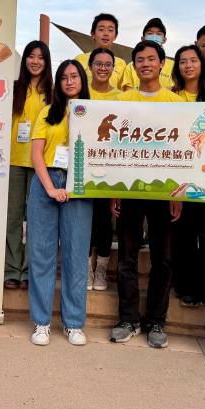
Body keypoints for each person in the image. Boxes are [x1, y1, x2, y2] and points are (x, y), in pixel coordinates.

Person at [110, 39, 182, 349]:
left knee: (162, 259)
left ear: (162, 64)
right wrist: (112, 190)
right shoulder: (123, 100)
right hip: (129, 189)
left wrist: (178, 195)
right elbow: (114, 148)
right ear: (134, 65)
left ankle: (156, 321)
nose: (145, 64)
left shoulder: (176, 103)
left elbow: (184, 150)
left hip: (164, 192)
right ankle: (128, 319)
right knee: (126, 257)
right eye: (140, 60)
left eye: (151, 59)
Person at [27, 60, 93, 346]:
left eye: (74, 76)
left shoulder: (93, 113)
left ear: (82, 80)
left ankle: (74, 323)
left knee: (76, 256)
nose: (69, 81)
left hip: (80, 184)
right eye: (64, 77)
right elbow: (36, 155)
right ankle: (41, 322)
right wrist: (51, 188)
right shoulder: (47, 112)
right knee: (41, 255)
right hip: (47, 182)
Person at [5, 41, 53, 290]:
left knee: (35, 220)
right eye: (31, 56)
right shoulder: (13, 88)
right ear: (24, 60)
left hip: (40, 164)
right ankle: (12, 269)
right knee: (12, 218)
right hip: (13, 160)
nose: (35, 61)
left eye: (40, 57)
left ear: (47, 62)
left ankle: (30, 270)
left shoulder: (53, 92)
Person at [170, 45, 205, 307]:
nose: (188, 65)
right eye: (183, 61)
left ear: (202, 65)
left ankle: (203, 286)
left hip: (204, 175)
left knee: (204, 234)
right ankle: (182, 284)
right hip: (174, 173)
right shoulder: (169, 97)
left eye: (193, 60)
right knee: (181, 233)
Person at [86, 47, 121, 291]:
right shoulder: (81, 93)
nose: (103, 68)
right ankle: (86, 268)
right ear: (90, 66)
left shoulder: (121, 97)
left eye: (108, 65)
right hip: (84, 164)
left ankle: (101, 270)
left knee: (104, 221)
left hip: (111, 165)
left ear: (113, 69)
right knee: (84, 219)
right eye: (98, 63)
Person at [119, 18, 175, 91]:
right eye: (150, 33)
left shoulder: (174, 66)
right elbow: (127, 90)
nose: (154, 37)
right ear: (142, 39)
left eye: (158, 34)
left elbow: (175, 90)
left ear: (164, 40)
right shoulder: (131, 66)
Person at [75, 13, 126, 89]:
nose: (106, 34)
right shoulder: (80, 60)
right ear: (93, 34)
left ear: (115, 36)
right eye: (101, 29)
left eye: (110, 30)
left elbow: (124, 92)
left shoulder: (121, 64)